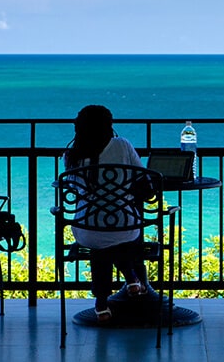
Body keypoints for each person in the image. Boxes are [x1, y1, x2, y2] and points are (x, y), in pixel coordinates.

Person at [62, 104, 148, 323]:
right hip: (126, 227)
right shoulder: (123, 145)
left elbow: (72, 186)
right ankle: (131, 278)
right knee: (116, 233)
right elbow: (143, 181)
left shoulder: (72, 155)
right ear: (109, 126)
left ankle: (102, 303)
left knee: (100, 240)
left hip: (87, 228)